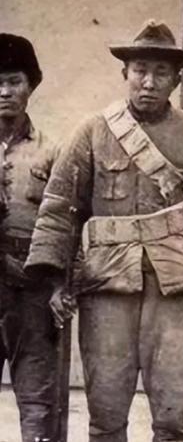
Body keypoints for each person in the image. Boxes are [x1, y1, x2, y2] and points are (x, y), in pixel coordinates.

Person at [24, 19, 183, 442]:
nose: (148, 82)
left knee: (174, 416)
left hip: (180, 292)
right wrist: (55, 281)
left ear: (176, 80)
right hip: (108, 287)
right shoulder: (92, 132)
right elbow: (59, 208)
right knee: (105, 416)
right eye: (140, 70)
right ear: (124, 73)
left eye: (161, 72)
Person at [0, 32, 59, 442]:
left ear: (31, 85)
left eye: (14, 81)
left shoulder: (52, 151)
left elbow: (65, 222)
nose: (4, 92)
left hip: (31, 286)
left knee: (38, 401)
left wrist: (59, 285)